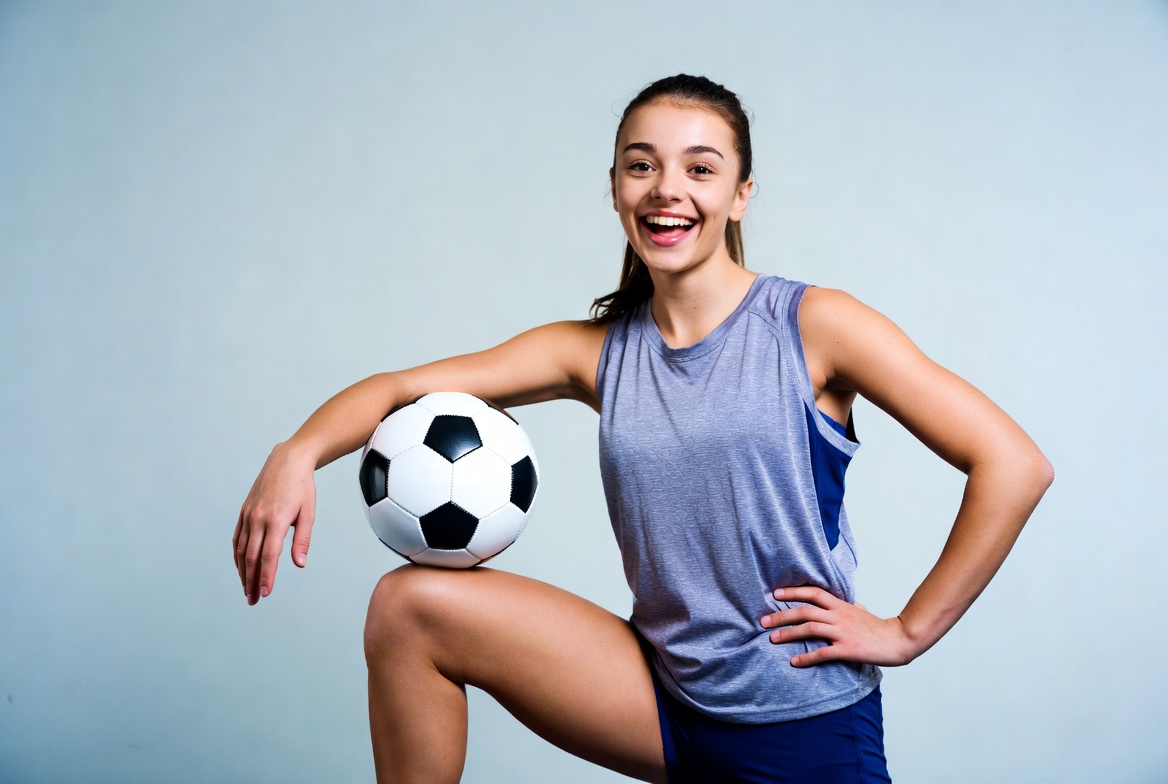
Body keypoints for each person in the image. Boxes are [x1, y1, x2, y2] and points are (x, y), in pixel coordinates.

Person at [233, 74, 1053, 784]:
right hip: (659, 697)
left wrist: (906, 632)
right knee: (409, 606)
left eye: (701, 169)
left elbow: (1013, 464)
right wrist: (296, 452)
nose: (668, 189)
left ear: (740, 196)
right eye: (642, 165)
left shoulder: (814, 326)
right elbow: (399, 388)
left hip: (799, 724)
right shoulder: (596, 354)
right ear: (618, 187)